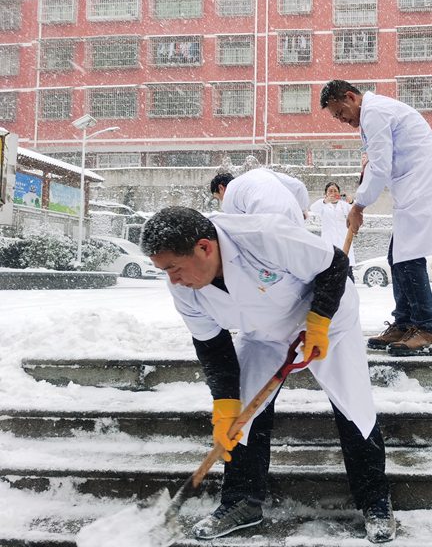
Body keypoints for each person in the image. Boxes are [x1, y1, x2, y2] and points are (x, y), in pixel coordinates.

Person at [141, 207, 396, 543]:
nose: (172, 280)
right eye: (165, 271)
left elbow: (335, 263)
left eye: (174, 268)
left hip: (327, 319)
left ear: (205, 247)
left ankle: (376, 501)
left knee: (353, 406)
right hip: (263, 333)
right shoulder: (185, 289)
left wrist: (318, 321)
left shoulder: (262, 235)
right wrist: (225, 405)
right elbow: (213, 347)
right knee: (242, 419)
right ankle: (242, 503)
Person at [320, 80, 432, 356]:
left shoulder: (374, 113)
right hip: (414, 189)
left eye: (340, 113)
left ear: (350, 97)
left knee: (407, 257)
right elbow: (379, 159)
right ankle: (405, 321)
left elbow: (381, 166)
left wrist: (358, 206)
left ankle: (426, 328)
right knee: (396, 256)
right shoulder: (375, 113)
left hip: (422, 188)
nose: (342, 120)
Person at [210, 168, 310, 222]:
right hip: (294, 215)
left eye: (219, 197)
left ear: (221, 188)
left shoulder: (229, 195)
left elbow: (240, 226)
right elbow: (299, 186)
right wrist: (302, 209)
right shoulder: (259, 172)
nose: (222, 201)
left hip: (266, 223)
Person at [309, 181, 356, 272]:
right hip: (329, 243)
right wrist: (325, 201)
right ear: (325, 194)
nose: (333, 193)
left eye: (335, 191)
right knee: (331, 271)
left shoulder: (345, 205)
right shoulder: (323, 205)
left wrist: (351, 201)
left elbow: (357, 210)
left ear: (339, 193)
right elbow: (313, 208)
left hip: (344, 243)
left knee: (347, 273)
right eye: (330, 191)